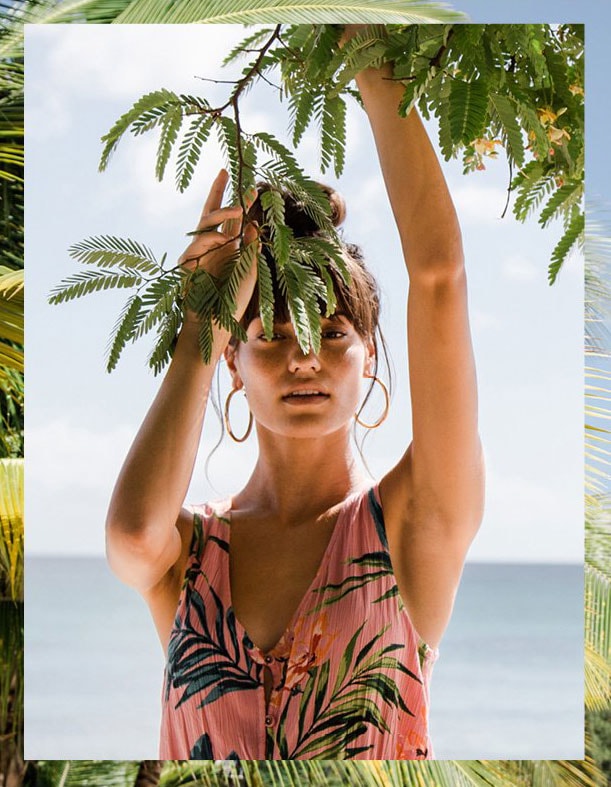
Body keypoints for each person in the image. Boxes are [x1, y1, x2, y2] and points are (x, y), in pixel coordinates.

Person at [106, 26, 484, 761]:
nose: (304, 357)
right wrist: (200, 324)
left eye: (332, 332)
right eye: (271, 335)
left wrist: (367, 61)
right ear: (233, 364)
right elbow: (129, 539)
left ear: (368, 362)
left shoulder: (413, 524)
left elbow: (439, 277)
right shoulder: (191, 553)